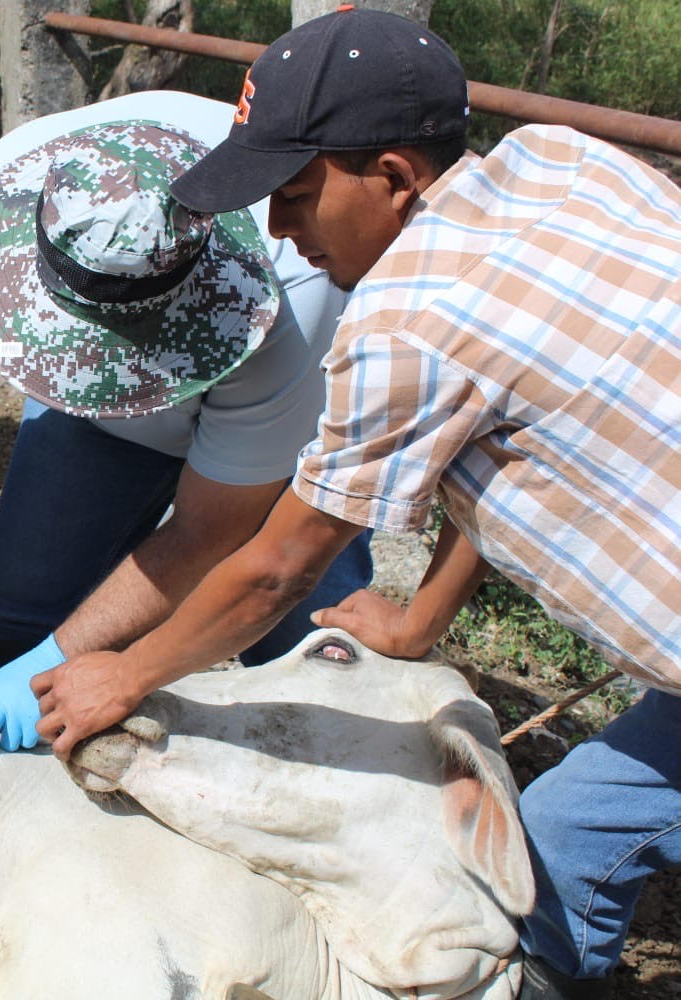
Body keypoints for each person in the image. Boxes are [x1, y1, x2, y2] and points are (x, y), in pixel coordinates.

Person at [36, 10, 680, 997]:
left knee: (556, 861)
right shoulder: (558, 163)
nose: (283, 237)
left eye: (294, 198)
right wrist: (421, 617)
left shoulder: (404, 322)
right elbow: (508, 447)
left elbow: (279, 565)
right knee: (568, 836)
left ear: (393, 176)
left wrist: (123, 676)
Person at [0, 90, 375, 766]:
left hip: (271, 434)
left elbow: (210, 530)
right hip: (90, 428)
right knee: (18, 611)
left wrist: (70, 655)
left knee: (303, 648)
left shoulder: (291, 286)